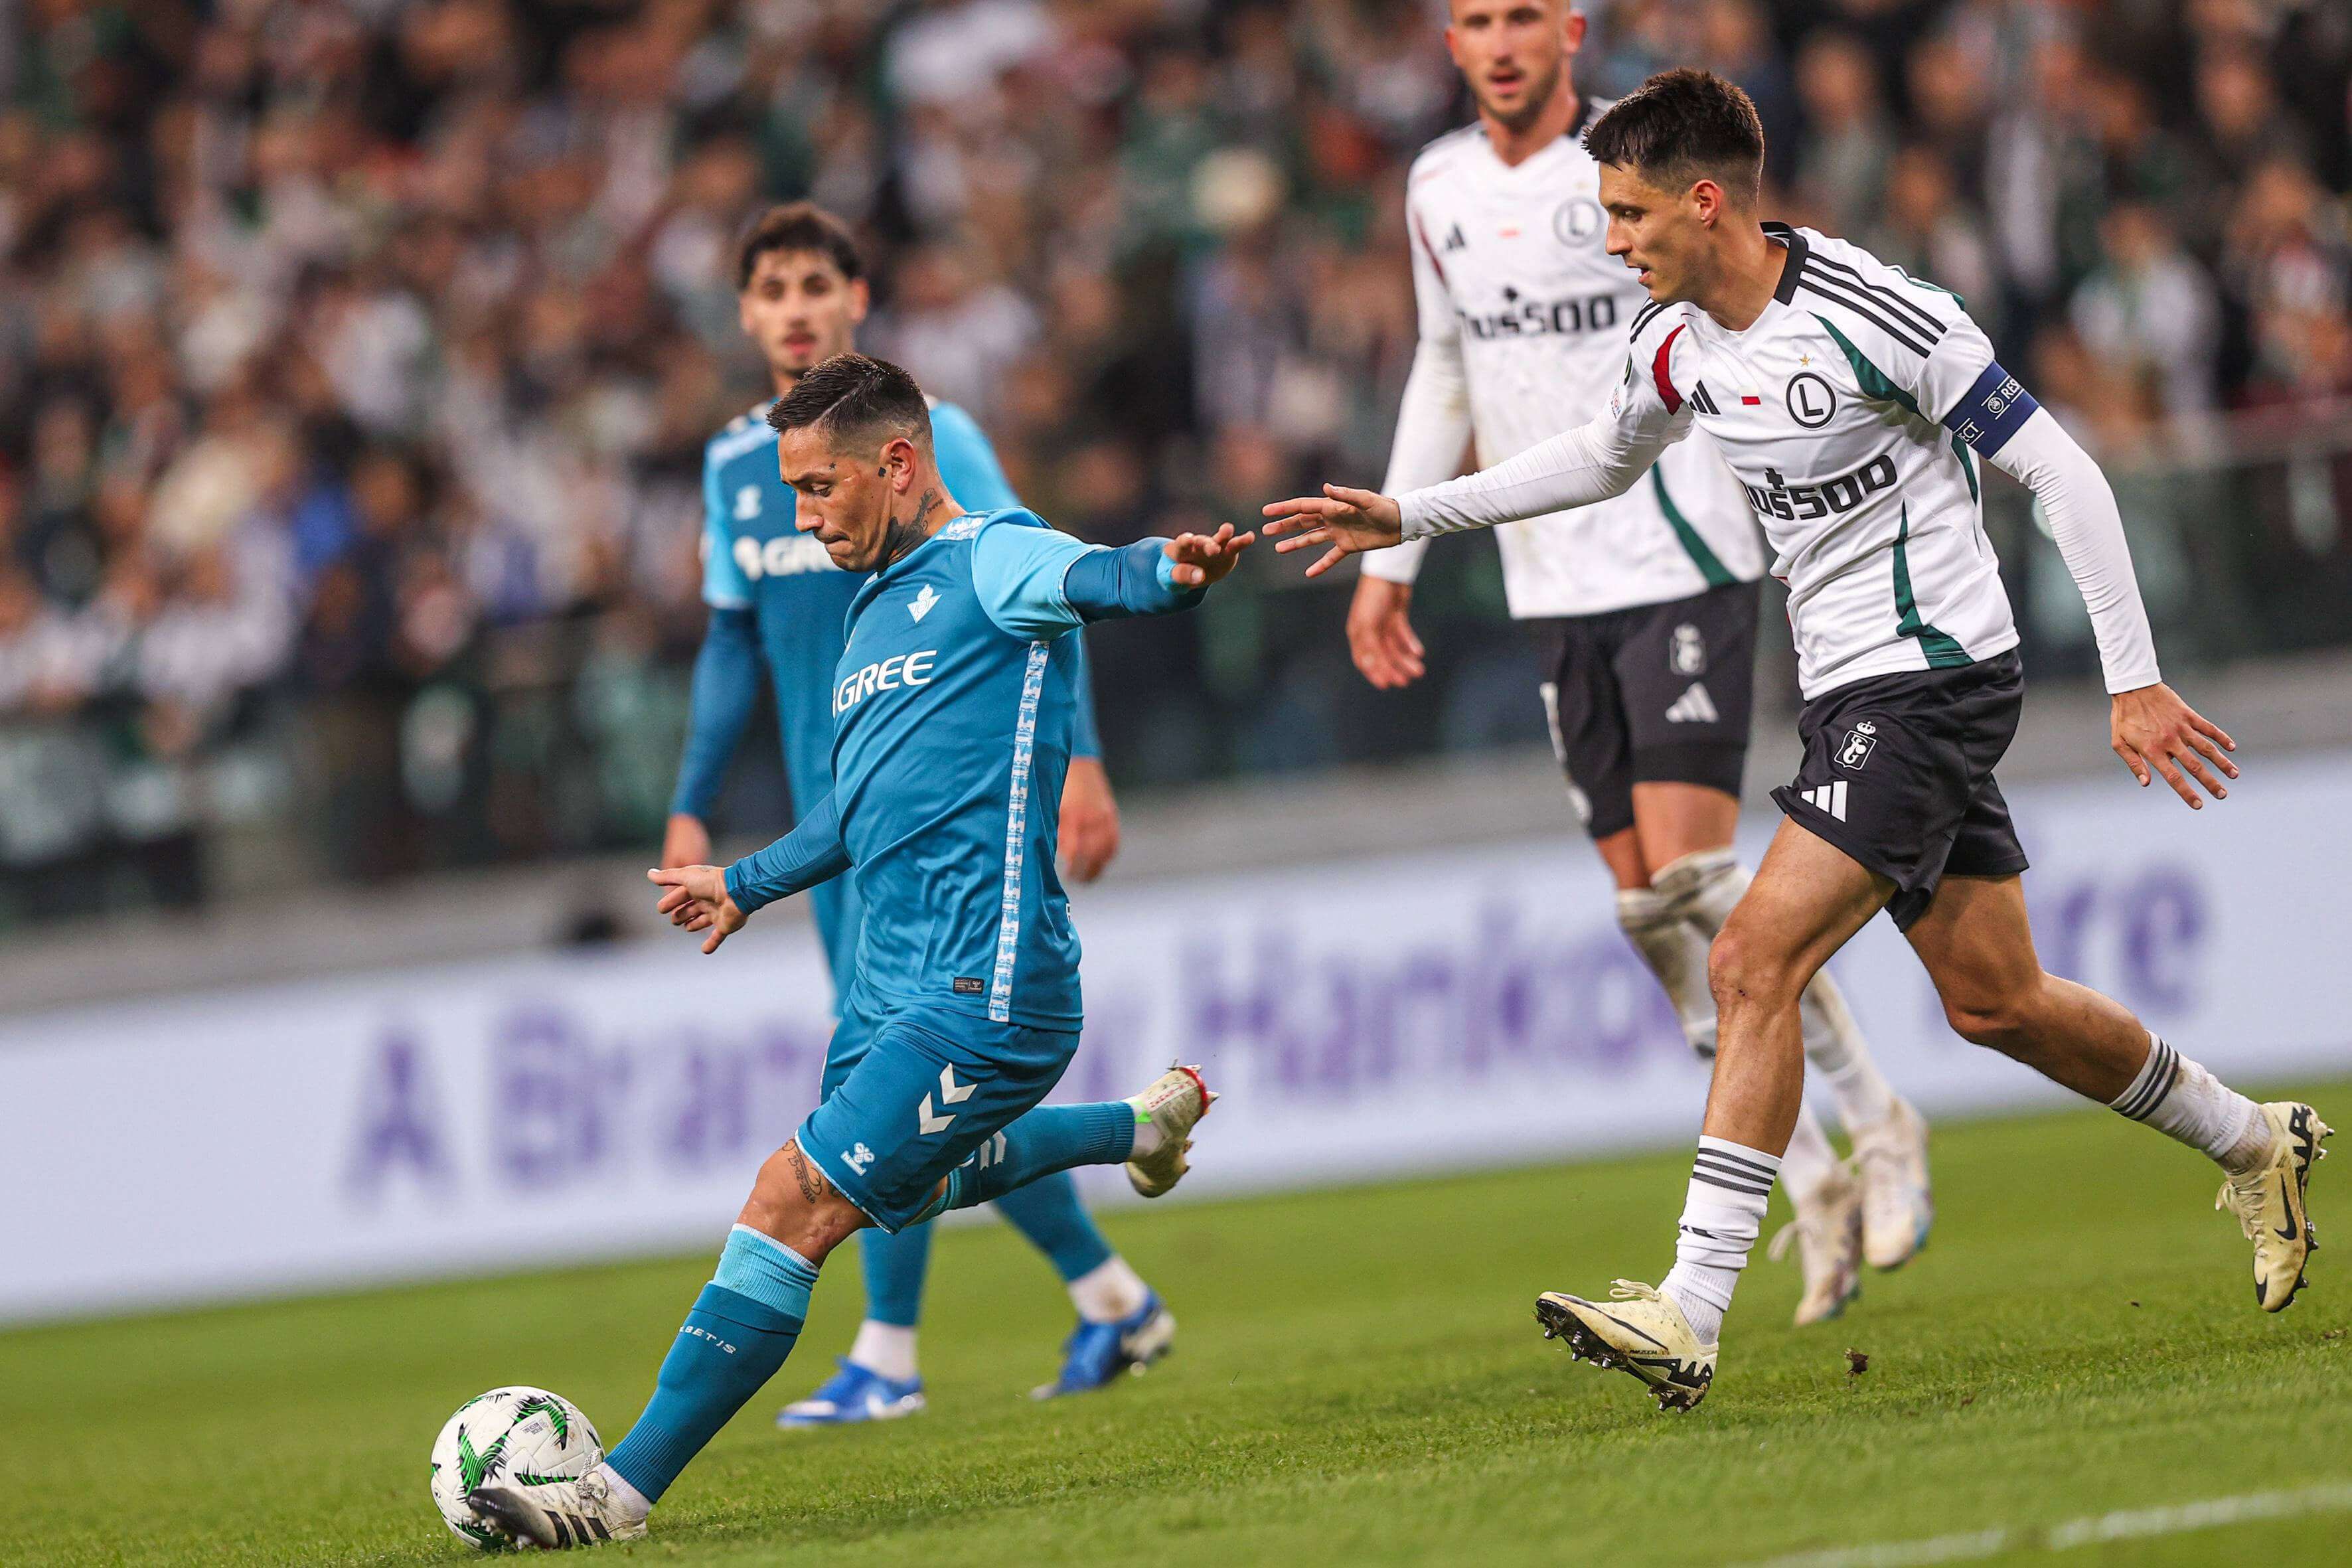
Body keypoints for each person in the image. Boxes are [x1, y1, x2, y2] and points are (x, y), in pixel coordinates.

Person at [1262, 70, 2328, 1413]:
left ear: (1705, 204)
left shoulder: (1876, 313)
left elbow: (2061, 468)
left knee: (1745, 953)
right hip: (1846, 695)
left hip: (1932, 676)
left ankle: (1688, 1305)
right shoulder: (1673, 345)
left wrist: (2132, 681)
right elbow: (1594, 459)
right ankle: (2253, 1138)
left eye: (1629, 214)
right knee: (1994, 997)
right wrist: (1410, 515)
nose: (1613, 241)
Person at [466, 354, 1245, 1546]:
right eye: (790, 492)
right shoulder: (870, 611)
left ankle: (611, 1497)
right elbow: (852, 812)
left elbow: (1107, 577)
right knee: (916, 1188)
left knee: (794, 1197)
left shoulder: (996, 554)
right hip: (886, 988)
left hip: (989, 985)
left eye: (820, 486)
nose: (803, 514)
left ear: (897, 461)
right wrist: (742, 883)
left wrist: (1172, 573)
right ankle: (1139, 1127)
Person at [1350, 0, 1925, 1326]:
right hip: (1545, 581)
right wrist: (1390, 561)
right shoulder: (1433, 183)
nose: (1497, 41)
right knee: (1650, 914)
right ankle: (1811, 1171)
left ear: (1569, 29)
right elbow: (1444, 358)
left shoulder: (1629, 171)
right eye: (1472, 19)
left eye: (1519, 16)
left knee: (1692, 877)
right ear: (1447, 41)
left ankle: (1877, 1117)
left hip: (1675, 551)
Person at [670, 204, 1165, 1420]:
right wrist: (693, 812)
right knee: (901, 1098)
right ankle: (1109, 1291)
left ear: (855, 300)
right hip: (837, 816)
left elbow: (1035, 581)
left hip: (938, 810)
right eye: (769, 287)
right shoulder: (742, 470)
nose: (792, 306)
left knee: (890, 1091)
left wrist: (1082, 761)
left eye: (813, 284)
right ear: (744, 314)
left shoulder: (928, 443)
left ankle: (889, 1349)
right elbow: (730, 645)